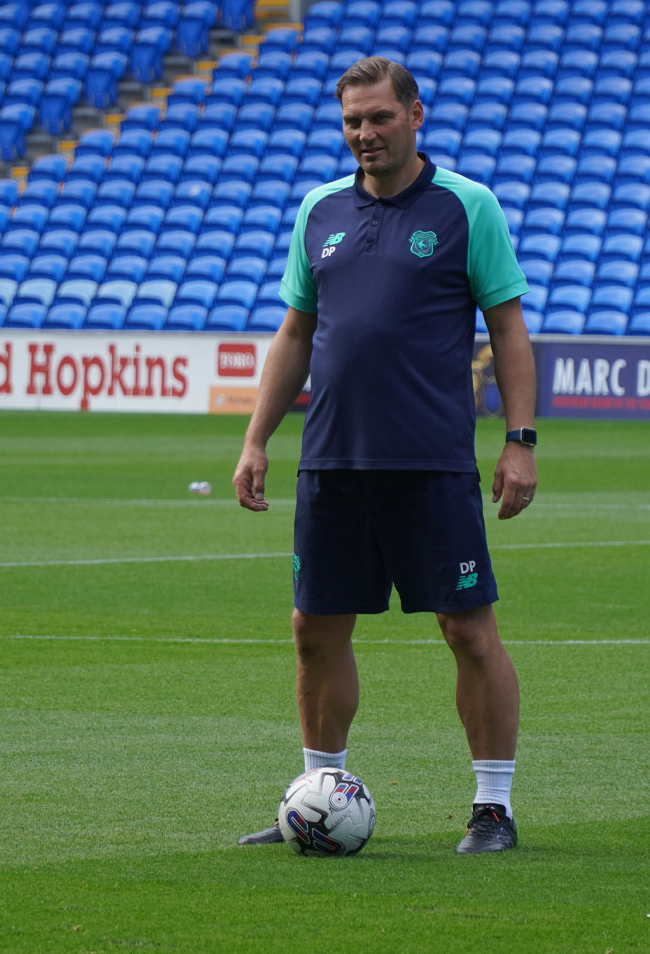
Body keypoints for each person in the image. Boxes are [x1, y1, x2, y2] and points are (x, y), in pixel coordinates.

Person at [231, 56, 539, 854]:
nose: (364, 134)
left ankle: (494, 808)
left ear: (415, 115)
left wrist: (519, 441)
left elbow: (509, 330)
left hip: (431, 462)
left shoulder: (468, 207)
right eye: (352, 122)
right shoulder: (318, 209)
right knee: (313, 629)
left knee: (467, 631)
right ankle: (318, 794)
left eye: (378, 117)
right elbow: (296, 332)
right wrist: (256, 438)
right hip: (333, 462)